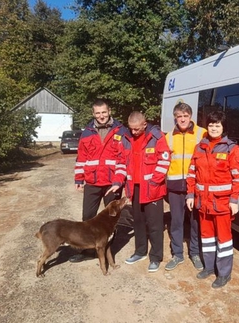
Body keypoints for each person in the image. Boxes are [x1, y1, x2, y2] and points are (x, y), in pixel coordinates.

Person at [186, 110, 239, 288]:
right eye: (211, 125)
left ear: (223, 127)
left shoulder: (231, 149)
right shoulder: (200, 147)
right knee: (207, 237)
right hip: (202, 203)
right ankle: (209, 267)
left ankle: (224, 273)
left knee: (224, 240)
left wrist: (234, 200)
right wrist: (190, 195)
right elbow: (191, 174)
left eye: (217, 125)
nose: (213, 128)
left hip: (221, 204)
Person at [71, 98, 128, 262]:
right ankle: (86, 251)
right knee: (87, 217)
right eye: (98, 113)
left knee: (111, 219)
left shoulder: (121, 131)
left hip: (112, 183)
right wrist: (78, 178)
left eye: (104, 112)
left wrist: (118, 182)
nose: (101, 116)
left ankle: (108, 251)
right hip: (92, 182)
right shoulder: (87, 132)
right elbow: (81, 158)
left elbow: (122, 160)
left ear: (109, 111)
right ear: (93, 114)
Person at [122, 111, 171, 273]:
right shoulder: (126, 138)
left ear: (144, 124)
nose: (134, 132)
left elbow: (164, 161)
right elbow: (122, 160)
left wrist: (153, 182)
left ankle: (156, 257)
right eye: (131, 129)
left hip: (153, 189)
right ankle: (140, 251)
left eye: (137, 129)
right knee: (138, 222)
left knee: (155, 225)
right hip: (134, 189)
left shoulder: (156, 137)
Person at [164, 102, 207, 271]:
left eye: (185, 116)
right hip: (174, 187)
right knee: (176, 221)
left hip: (195, 186)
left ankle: (195, 253)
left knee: (195, 222)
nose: (182, 119)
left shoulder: (202, 133)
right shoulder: (168, 136)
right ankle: (177, 254)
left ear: (191, 117)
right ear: (175, 117)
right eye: (179, 116)